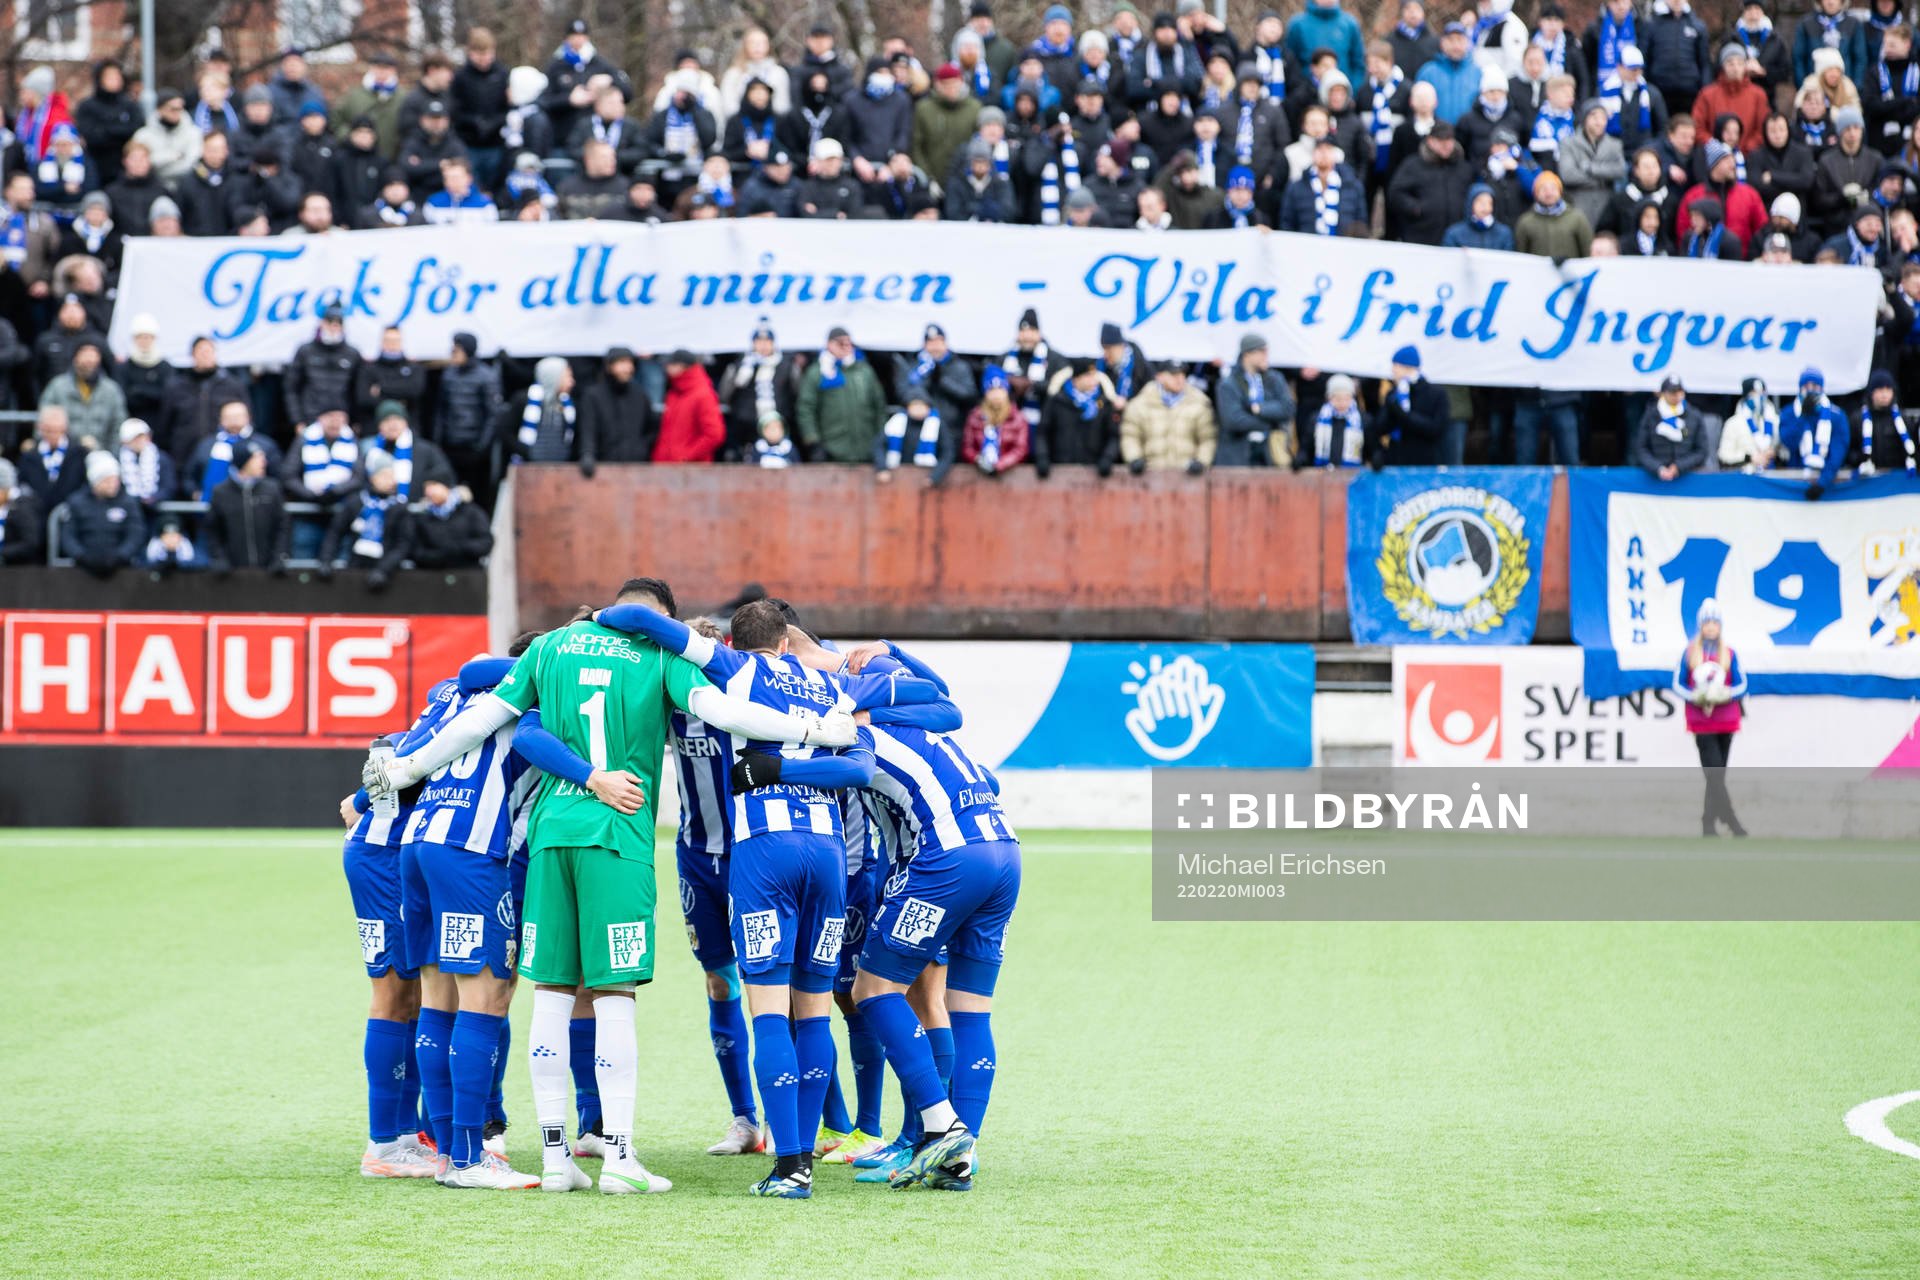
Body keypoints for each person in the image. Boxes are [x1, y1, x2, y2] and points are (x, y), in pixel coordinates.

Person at [368, 579, 859, 1195]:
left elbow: (486, 717)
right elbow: (727, 714)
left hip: (551, 834)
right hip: (618, 835)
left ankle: (554, 1160)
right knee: (614, 994)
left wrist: (408, 767)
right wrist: (816, 733)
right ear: (659, 621)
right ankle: (620, 1157)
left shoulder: (552, 648)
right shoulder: (659, 659)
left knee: (549, 991)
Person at [1673, 599, 1748, 837]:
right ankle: (1731, 819)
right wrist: (1696, 696)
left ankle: (1708, 822)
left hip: (1726, 720)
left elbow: (1742, 684)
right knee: (1713, 772)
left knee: (1717, 774)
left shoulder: (1729, 654)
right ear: (1701, 625)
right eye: (1707, 622)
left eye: (1715, 622)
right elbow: (1677, 684)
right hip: (1702, 723)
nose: (1711, 627)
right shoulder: (1690, 653)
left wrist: (1724, 694)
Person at [796, 328, 886, 463]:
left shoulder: (864, 371)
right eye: (840, 343)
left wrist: (881, 437)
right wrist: (813, 440)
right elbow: (806, 408)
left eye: (848, 343)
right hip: (832, 449)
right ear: (829, 345)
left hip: (866, 449)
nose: (846, 347)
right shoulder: (817, 373)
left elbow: (879, 405)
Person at [433, 333, 503, 503]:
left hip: (474, 447)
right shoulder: (449, 375)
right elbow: (441, 411)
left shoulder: (486, 376)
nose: (453, 353)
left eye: (456, 350)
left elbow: (493, 415)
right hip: (451, 445)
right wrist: (439, 439)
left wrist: (482, 445)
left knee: (478, 492)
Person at [317, 454, 407, 586]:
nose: (391, 481)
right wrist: (326, 561)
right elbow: (335, 532)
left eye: (392, 476)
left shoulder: (399, 508)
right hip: (354, 566)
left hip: (386, 573)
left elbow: (402, 544)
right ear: (372, 477)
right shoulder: (355, 502)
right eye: (385, 476)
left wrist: (383, 570)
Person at [203, 440, 288, 575]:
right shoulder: (220, 492)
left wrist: (279, 557)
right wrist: (220, 558)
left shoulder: (272, 489)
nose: (264, 462)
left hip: (268, 571)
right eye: (257, 458)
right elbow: (213, 531)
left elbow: (282, 526)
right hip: (232, 574)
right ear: (244, 462)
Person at [1214, 333, 1295, 467]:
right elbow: (1233, 420)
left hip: (1270, 453)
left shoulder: (1274, 379)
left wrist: (1258, 409)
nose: (1266, 356)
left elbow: (1288, 408)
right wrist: (1271, 424)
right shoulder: (1228, 383)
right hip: (1237, 454)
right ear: (1247, 354)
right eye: (1262, 351)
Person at [1121, 362, 1216, 474]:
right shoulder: (1139, 404)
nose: (1179, 379)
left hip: (1188, 476)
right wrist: (1134, 459)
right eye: (1173, 375)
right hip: (1150, 475)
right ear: (1159, 377)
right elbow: (1130, 436)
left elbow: (1208, 438)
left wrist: (1201, 462)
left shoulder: (1199, 403)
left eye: (1182, 375)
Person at [57, 450, 141, 576]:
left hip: (122, 569)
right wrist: (82, 556)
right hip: (82, 570)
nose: (113, 485)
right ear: (95, 482)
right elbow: (68, 535)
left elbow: (136, 533)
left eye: (116, 479)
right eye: (107, 480)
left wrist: (120, 556)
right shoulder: (77, 502)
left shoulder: (127, 502)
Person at [1034, 358, 1120, 478]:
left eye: (1094, 375)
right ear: (1076, 378)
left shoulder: (1104, 403)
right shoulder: (1057, 401)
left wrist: (1107, 458)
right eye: (1088, 376)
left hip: (1094, 474)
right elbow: (1042, 433)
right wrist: (1042, 457)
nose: (1094, 380)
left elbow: (1114, 436)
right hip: (1059, 471)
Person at [577, 347, 654, 474]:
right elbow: (588, 429)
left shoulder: (640, 395)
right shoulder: (593, 396)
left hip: (636, 468)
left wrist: (642, 449)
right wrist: (587, 454)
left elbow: (651, 428)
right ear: (609, 366)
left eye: (630, 363)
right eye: (622, 362)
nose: (628, 368)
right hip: (603, 468)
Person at [1374, 346, 1451, 466]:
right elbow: (1381, 428)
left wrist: (1404, 415)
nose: (1393, 371)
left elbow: (1436, 429)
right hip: (1397, 458)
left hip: (1425, 461)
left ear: (1407, 367)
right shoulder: (1394, 393)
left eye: (1396, 366)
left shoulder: (1436, 393)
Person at [39, 341, 126, 446]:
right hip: (65, 451)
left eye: (93, 356)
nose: (89, 360)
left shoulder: (111, 389)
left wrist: (111, 453)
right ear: (75, 358)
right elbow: (44, 420)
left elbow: (118, 425)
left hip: (101, 451)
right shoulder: (57, 386)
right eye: (85, 355)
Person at [654, 350, 726, 464]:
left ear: (682, 366)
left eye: (671, 365)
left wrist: (687, 456)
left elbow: (714, 434)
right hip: (668, 467)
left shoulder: (703, 394)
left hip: (692, 472)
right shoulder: (674, 393)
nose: (667, 369)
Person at [1632, 376, 1710, 480]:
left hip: (1688, 477)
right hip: (1655, 477)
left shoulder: (1694, 415)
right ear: (1663, 394)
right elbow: (1641, 449)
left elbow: (1702, 451)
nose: (1677, 396)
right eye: (1672, 392)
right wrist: (1658, 468)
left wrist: (1679, 467)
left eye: (1680, 392)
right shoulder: (1651, 415)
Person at [961, 366, 1029, 476]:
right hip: (978, 474)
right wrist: (977, 459)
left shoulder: (1017, 417)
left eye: (1000, 389)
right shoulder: (975, 416)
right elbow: (967, 447)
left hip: (1010, 475)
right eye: (991, 390)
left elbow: (1021, 449)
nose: (996, 395)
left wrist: (1000, 464)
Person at [511, 358, 578, 464]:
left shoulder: (568, 405)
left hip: (560, 468)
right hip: (528, 467)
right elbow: (505, 432)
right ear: (553, 377)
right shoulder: (523, 400)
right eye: (567, 376)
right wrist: (527, 452)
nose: (572, 382)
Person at [1514, 171, 1594, 257]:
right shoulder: (1525, 222)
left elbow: (1588, 251)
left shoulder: (1577, 218)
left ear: (1560, 191)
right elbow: (1520, 255)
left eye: (1553, 188)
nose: (1549, 193)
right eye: (1543, 189)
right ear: (1536, 194)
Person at [1854, 369, 1917, 474]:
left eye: (1888, 389)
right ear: (1871, 393)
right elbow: (1850, 450)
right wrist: (1859, 460)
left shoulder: (1903, 418)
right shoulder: (1857, 419)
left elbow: (1912, 448)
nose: (1884, 395)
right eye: (1880, 390)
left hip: (1896, 479)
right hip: (1866, 478)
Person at [1719, 376, 1783, 470]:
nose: (1759, 397)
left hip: (1771, 474)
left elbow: (1786, 451)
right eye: (1754, 393)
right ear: (1746, 396)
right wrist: (1749, 458)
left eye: (1762, 392)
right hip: (1744, 476)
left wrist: (1774, 453)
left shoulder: (1775, 420)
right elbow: (1724, 455)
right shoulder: (1733, 423)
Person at [116, 418, 174, 514]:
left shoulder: (162, 458)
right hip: (126, 510)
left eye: (143, 436)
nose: (141, 441)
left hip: (156, 511)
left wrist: (154, 498)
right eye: (135, 438)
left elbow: (169, 486)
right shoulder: (116, 459)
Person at [0, 459, 47, 565]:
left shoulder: (23, 508)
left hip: (19, 569)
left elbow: (30, 543)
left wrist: (3, 552)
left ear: (6, 488)